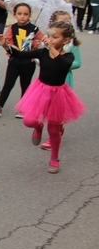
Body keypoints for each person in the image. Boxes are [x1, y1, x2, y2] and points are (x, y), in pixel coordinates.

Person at [0, 20, 84, 174]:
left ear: (66, 40)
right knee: (29, 120)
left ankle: (54, 158)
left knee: (54, 130)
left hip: (58, 94)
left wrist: (51, 48)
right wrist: (5, 44)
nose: (50, 40)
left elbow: (64, 65)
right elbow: (20, 54)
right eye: (50, 36)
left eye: (55, 37)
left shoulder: (68, 56)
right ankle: (38, 127)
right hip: (40, 90)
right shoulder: (42, 52)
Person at [0, 3, 44, 118]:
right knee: (8, 84)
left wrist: (34, 43)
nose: (22, 16)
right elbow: (7, 42)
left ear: (29, 15)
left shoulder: (34, 29)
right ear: (14, 15)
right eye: (19, 14)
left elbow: (43, 41)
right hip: (14, 61)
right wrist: (8, 45)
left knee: (25, 85)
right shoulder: (12, 28)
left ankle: (23, 108)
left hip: (28, 62)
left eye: (25, 14)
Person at [41, 10, 81, 151]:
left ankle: (54, 134)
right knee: (47, 107)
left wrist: (65, 64)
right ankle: (50, 129)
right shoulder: (47, 43)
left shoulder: (72, 46)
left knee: (59, 110)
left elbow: (77, 62)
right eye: (62, 21)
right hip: (48, 82)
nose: (66, 23)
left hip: (64, 81)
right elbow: (43, 59)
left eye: (68, 21)